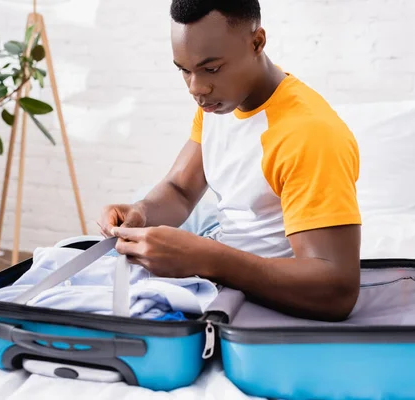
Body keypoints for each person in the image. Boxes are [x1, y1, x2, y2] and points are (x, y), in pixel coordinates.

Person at [97, 0, 362, 322]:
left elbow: (338, 291)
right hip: (221, 251)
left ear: (256, 42)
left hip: (268, 282)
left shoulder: (309, 134)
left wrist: (207, 259)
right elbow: (180, 188)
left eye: (211, 69)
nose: (197, 88)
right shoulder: (219, 101)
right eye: (184, 70)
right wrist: (142, 211)